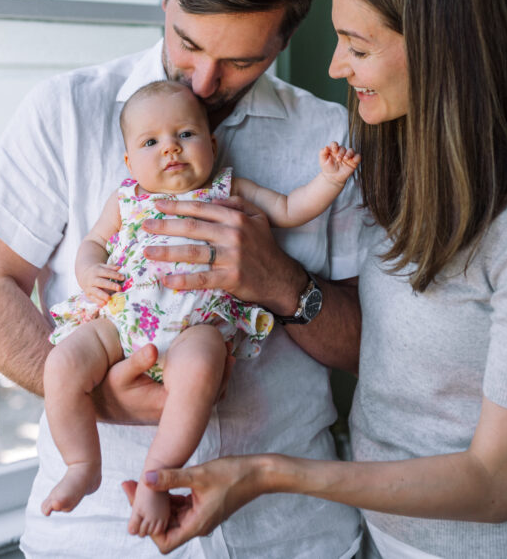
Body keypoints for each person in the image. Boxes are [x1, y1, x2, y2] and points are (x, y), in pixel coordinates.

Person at [131, 0, 507, 559]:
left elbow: (497, 483)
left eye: (357, 48)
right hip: (379, 538)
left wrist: (264, 471)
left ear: (443, 49)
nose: (336, 66)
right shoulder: (399, 157)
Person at [0, 0, 366, 558]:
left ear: (285, 37)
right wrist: (96, 394)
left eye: (240, 61)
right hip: (93, 536)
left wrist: (282, 281)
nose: (204, 82)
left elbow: (374, 348)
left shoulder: (328, 140)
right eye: (189, 42)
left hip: (292, 537)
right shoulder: (64, 112)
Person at [40, 79, 359, 537]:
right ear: (130, 161)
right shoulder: (127, 197)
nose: (170, 149)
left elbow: (289, 209)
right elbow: (93, 242)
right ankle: (81, 463)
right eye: (151, 142)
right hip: (124, 317)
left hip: (198, 324)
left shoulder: (229, 188)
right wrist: (90, 270)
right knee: (63, 362)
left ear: (211, 144)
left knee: (200, 370)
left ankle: (157, 476)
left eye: (185, 135)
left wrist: (328, 181)